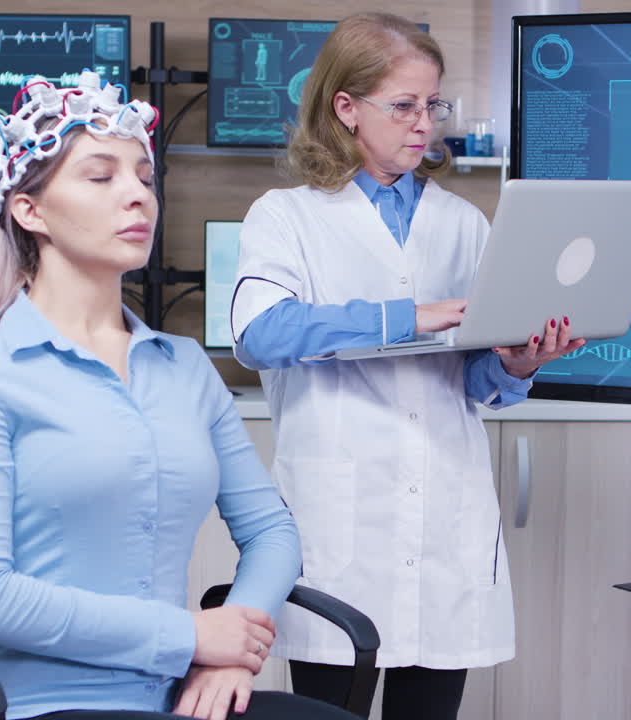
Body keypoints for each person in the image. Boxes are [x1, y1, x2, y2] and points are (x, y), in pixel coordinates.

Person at [230, 13, 584, 719]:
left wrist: (517, 364)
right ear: (346, 108)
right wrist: (407, 315)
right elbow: (260, 334)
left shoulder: (463, 222)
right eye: (404, 106)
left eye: (433, 105)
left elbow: (474, 382)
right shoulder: (287, 216)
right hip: (341, 524)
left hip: (444, 516)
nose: (425, 124)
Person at [0, 73, 303, 720]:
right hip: (41, 708)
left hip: (182, 699)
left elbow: (272, 532)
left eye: (144, 177)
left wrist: (231, 648)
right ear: (30, 210)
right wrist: (189, 636)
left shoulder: (184, 367)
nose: (137, 196)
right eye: (101, 177)